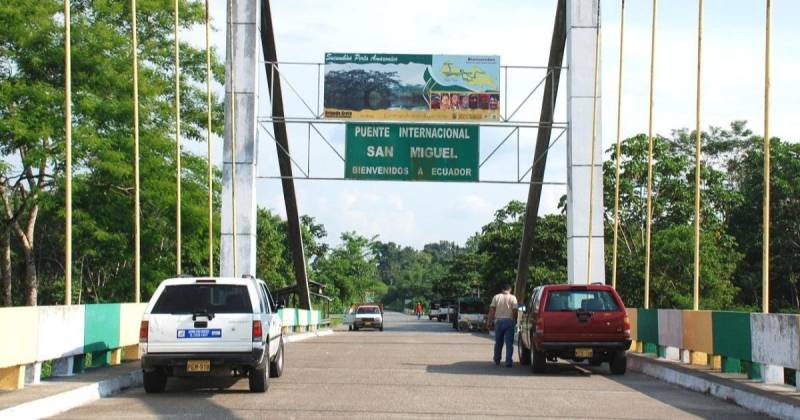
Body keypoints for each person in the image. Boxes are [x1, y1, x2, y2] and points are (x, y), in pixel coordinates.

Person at [487, 285, 518, 367]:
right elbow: (515, 311)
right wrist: (515, 320)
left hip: (498, 321)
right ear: (510, 289)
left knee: (498, 342)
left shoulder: (496, 297)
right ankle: (508, 362)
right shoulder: (513, 298)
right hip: (509, 321)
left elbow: (492, 310)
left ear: (502, 289)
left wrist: (489, 321)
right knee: (509, 343)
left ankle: (497, 359)